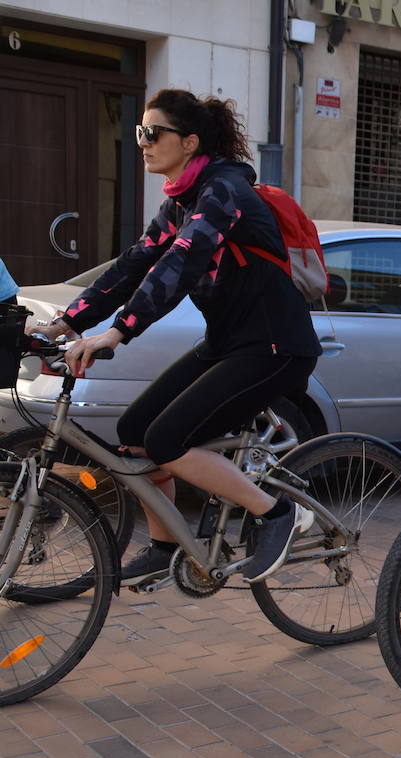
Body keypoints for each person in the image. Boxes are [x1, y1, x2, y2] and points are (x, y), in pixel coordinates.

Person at [26, 89, 321, 585]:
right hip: (228, 343)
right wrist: (65, 324)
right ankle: (166, 547)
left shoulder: (224, 191)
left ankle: (278, 514)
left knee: (168, 440)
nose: (141, 141)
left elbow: (180, 263)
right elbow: (131, 268)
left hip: (275, 346)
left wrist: (118, 332)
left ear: (189, 142)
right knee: (135, 432)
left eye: (152, 132)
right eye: (139, 132)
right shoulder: (181, 203)